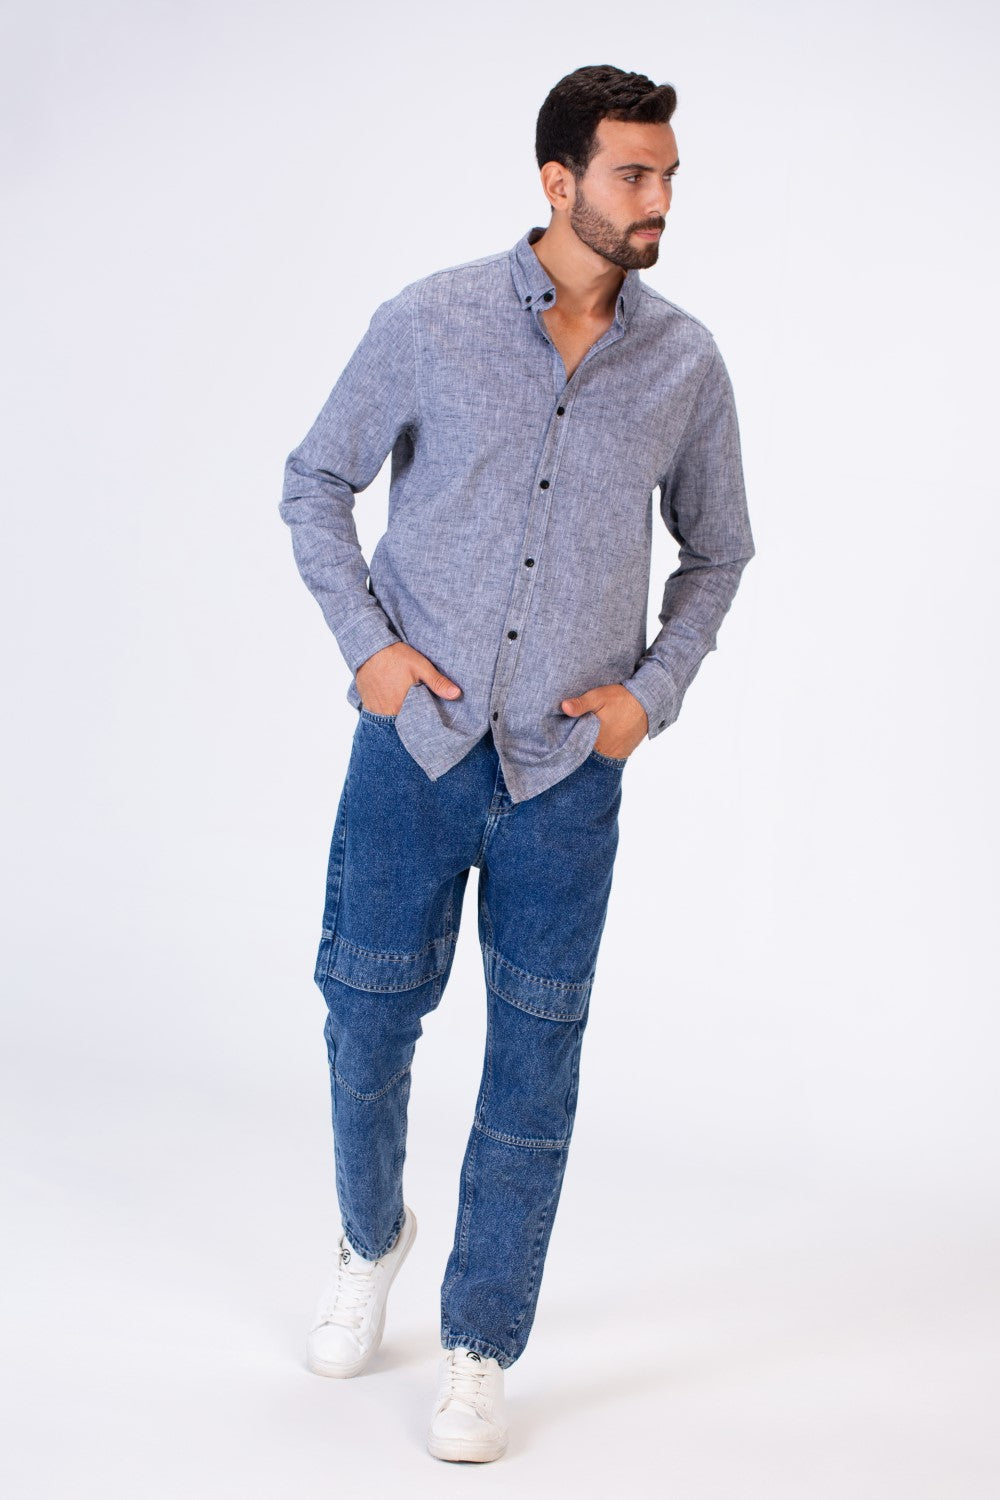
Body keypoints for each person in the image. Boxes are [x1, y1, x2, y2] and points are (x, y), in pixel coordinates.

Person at [279, 62, 755, 1463]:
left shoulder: (686, 365)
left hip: (566, 776)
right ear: (560, 181)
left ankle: (481, 1341)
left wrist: (651, 697)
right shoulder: (429, 321)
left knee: (535, 1062)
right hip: (414, 752)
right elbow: (316, 480)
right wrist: (369, 651)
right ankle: (371, 1236)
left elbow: (720, 551)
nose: (659, 200)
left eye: (668, 176)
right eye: (633, 175)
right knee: (365, 1018)